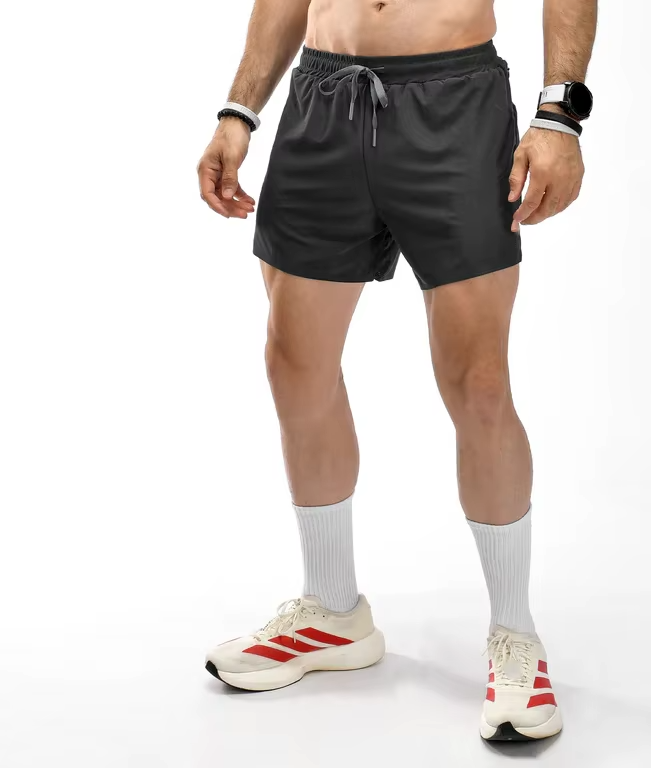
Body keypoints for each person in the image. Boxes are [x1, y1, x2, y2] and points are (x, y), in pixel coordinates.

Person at [197, 0, 596, 742]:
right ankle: (332, 610)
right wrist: (238, 110)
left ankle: (515, 633)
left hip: (454, 104)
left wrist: (559, 116)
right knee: (293, 365)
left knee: (479, 383)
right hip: (322, 102)